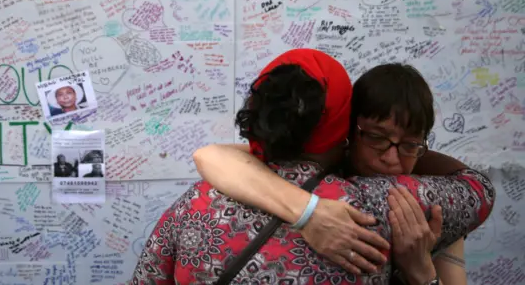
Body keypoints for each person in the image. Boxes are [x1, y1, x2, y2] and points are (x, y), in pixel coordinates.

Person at [130, 50, 494, 284]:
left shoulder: (196, 200)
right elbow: (478, 187)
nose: (391, 158)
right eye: (376, 138)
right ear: (344, 130)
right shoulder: (381, 206)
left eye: (408, 144)